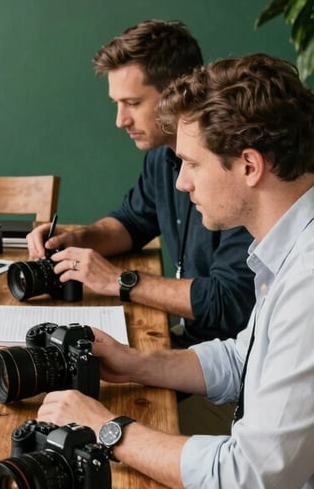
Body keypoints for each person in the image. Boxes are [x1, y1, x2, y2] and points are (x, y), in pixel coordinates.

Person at [38, 54, 314, 489]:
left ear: (249, 165)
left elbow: (248, 479)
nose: (180, 181)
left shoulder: (308, 280)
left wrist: (111, 428)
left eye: (190, 163)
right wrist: (136, 363)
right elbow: (242, 357)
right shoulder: (288, 244)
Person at [26, 20, 254, 346]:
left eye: (132, 103)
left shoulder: (230, 171)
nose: (120, 121)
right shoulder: (161, 156)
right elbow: (133, 221)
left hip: (230, 357)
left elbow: (229, 301)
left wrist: (119, 281)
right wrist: (77, 239)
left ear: (177, 94)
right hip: (191, 341)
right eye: (117, 104)